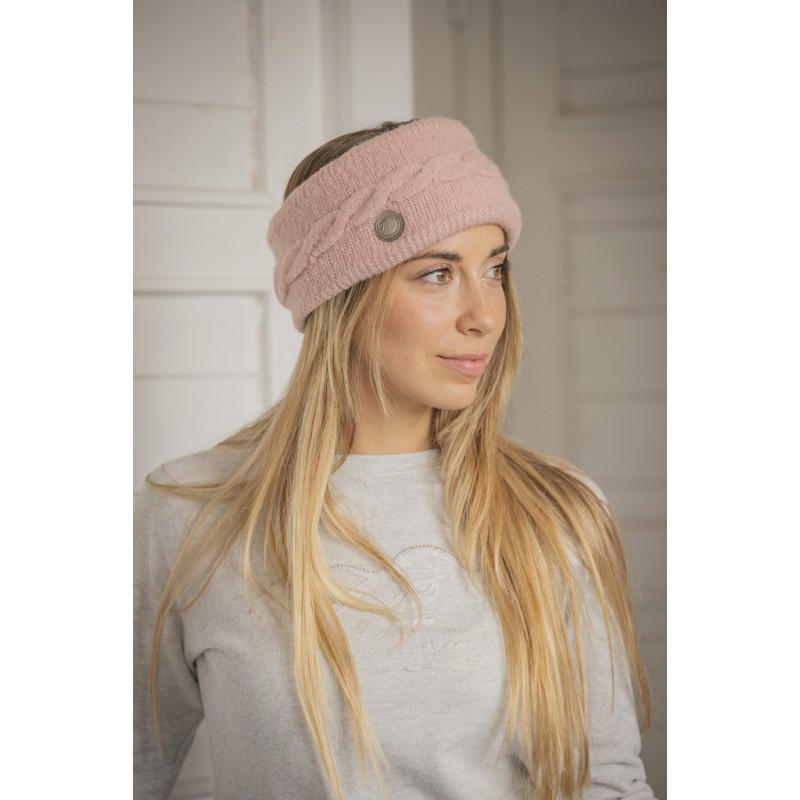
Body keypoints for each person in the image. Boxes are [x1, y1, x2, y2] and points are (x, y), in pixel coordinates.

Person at [134, 117, 655, 800]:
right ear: (341, 297)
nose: (485, 314)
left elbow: (606, 781)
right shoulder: (191, 514)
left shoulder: (555, 508)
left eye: (495, 269)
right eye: (437, 273)